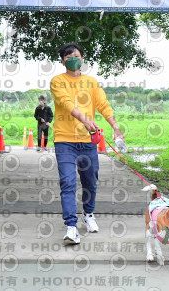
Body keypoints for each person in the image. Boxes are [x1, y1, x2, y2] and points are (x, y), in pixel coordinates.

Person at [50, 42, 125, 245]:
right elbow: (66, 103)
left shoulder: (91, 83)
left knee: (90, 181)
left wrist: (115, 127)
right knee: (68, 182)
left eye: (76, 55)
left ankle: (88, 213)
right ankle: (71, 226)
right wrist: (84, 119)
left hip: (87, 142)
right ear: (63, 61)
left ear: (82, 59)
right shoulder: (57, 81)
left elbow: (103, 105)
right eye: (68, 57)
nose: (73, 59)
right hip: (64, 141)